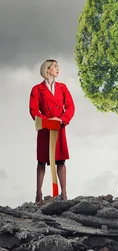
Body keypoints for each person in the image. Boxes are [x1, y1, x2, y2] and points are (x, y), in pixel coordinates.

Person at [29, 59, 75, 202]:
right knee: (42, 161)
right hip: (44, 129)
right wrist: (47, 121)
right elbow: (34, 109)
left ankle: (64, 193)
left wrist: (61, 120)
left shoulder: (63, 88)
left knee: (61, 161)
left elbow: (70, 106)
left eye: (57, 66)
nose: (57, 69)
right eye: (54, 66)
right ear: (47, 69)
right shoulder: (37, 89)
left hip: (59, 127)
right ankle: (38, 194)